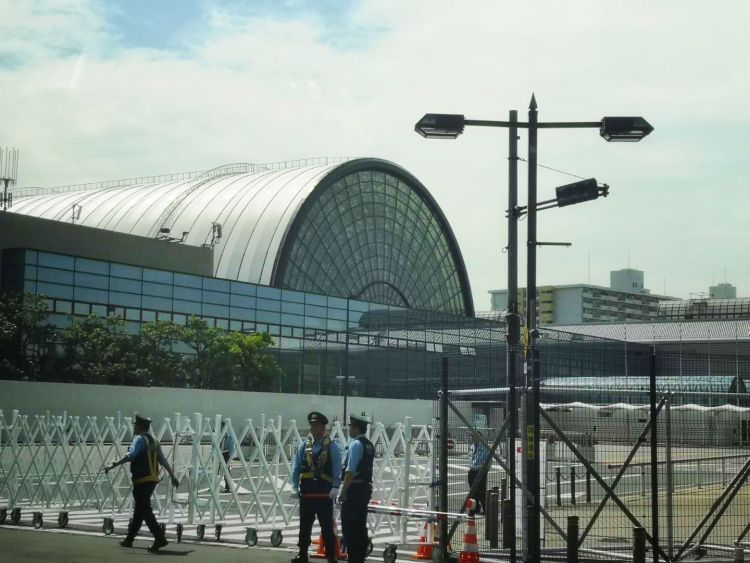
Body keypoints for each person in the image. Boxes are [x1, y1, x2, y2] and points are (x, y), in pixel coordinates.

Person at [104, 413, 179, 552]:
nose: (134, 427)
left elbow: (131, 455)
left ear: (139, 426)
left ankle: (159, 538)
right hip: (152, 480)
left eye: (135, 425)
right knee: (140, 510)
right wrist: (173, 476)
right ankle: (129, 539)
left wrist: (114, 465)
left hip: (141, 480)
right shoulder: (155, 441)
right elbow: (163, 460)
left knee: (145, 510)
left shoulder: (138, 439)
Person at [290, 411, 342, 563]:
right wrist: (294, 486)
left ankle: (331, 556)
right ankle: (302, 553)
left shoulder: (332, 447)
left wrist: (335, 486)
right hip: (307, 493)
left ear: (323, 427)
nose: (312, 428)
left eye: (316, 425)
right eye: (311, 425)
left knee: (327, 526)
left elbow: (337, 467)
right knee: (304, 526)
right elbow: (296, 466)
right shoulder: (304, 445)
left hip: (324, 494)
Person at [339, 412, 375, 563]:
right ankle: (359, 556)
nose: (349, 429)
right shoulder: (369, 445)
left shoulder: (355, 445)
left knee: (349, 525)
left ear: (356, 428)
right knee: (360, 524)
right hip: (365, 489)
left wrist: (343, 492)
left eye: (351, 426)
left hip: (354, 490)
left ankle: (353, 557)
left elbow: (350, 471)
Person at [467, 432, 488, 515]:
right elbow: (470, 457)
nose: (471, 438)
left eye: (473, 436)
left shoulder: (484, 447)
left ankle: (486, 509)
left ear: (478, 437)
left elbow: (488, 460)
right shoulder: (472, 446)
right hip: (472, 470)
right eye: (471, 436)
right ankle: (476, 508)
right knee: (473, 491)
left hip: (480, 470)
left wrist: (485, 470)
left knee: (481, 491)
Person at [219, 419, 235, 493]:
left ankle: (227, 487)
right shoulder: (219, 436)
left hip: (226, 454)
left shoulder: (229, 436)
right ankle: (214, 486)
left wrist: (230, 457)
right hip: (219, 453)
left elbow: (231, 447)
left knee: (226, 471)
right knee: (216, 470)